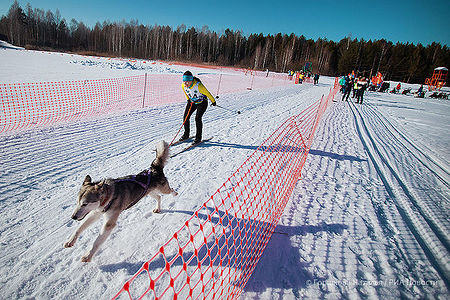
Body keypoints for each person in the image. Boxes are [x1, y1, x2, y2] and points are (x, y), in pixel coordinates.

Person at [179, 71, 217, 144]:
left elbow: (208, 93)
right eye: (184, 81)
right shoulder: (183, 86)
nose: (185, 83)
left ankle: (198, 138)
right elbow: (186, 93)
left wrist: (213, 101)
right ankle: (186, 134)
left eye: (187, 82)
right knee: (185, 117)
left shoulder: (198, 86)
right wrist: (188, 100)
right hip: (192, 102)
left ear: (191, 80)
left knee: (197, 118)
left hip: (202, 103)